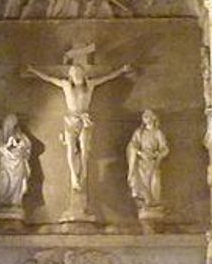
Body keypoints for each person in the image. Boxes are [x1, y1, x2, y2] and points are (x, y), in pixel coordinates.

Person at [23, 45, 132, 195]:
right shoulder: (66, 85)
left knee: (85, 151)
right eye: (74, 73)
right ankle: (75, 177)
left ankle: (83, 177)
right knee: (70, 150)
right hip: (70, 120)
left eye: (79, 72)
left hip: (85, 120)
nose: (77, 75)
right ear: (71, 75)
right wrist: (33, 70)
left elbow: (107, 77)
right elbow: (49, 78)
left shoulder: (91, 85)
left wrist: (121, 71)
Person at [126, 109, 169, 211]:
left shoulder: (158, 133)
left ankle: (154, 202)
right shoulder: (139, 133)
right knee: (141, 181)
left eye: (148, 116)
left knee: (154, 181)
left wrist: (157, 155)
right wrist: (140, 153)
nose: (146, 118)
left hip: (153, 162)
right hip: (141, 163)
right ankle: (145, 201)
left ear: (153, 118)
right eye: (144, 117)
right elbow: (132, 146)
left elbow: (165, 148)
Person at [0, 114, 33, 211]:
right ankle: (4, 202)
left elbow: (27, 146)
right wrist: (5, 148)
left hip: (18, 164)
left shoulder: (19, 135)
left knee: (18, 182)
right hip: (5, 165)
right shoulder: (0, 135)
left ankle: (16, 202)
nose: (12, 127)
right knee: (4, 182)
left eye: (14, 125)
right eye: (10, 124)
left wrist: (20, 147)